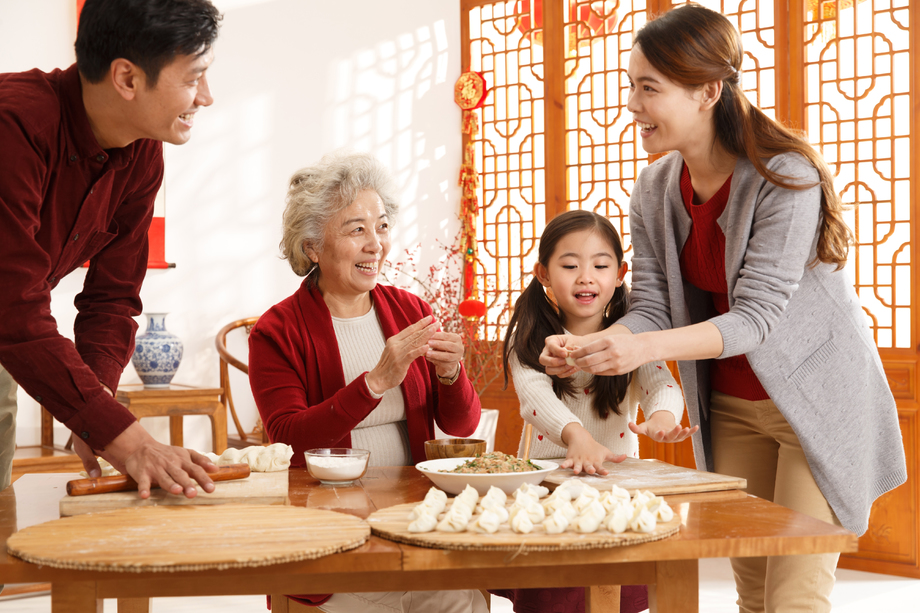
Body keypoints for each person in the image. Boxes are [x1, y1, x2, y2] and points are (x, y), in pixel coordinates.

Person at [540, 5, 907, 613]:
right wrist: (595, 345)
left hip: (816, 402)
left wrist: (641, 347)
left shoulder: (785, 176)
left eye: (648, 88)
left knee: (794, 595)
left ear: (709, 91)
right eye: (631, 85)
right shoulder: (655, 189)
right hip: (732, 408)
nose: (632, 104)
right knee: (754, 592)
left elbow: (757, 318)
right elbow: (653, 305)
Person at [248, 150, 488, 613]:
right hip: (331, 534)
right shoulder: (277, 330)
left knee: (465, 604)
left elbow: (461, 425)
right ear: (313, 247)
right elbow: (287, 434)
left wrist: (450, 373)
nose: (375, 243)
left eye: (381, 227)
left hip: (415, 524)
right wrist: (375, 382)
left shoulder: (410, 310)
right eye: (356, 229)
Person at [0, 0, 223, 497]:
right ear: (126, 78)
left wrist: (95, 405)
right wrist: (124, 438)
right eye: (193, 77)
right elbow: (13, 307)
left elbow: (113, 296)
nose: (206, 97)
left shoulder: (144, 150)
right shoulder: (14, 126)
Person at [491, 209, 695, 613]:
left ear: (619, 273)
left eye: (600, 265)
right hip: (546, 491)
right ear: (544, 274)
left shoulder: (633, 337)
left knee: (613, 595)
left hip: (617, 488)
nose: (586, 276)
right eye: (570, 265)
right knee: (551, 600)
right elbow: (536, 400)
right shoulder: (528, 338)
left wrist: (662, 419)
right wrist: (577, 437)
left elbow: (663, 385)